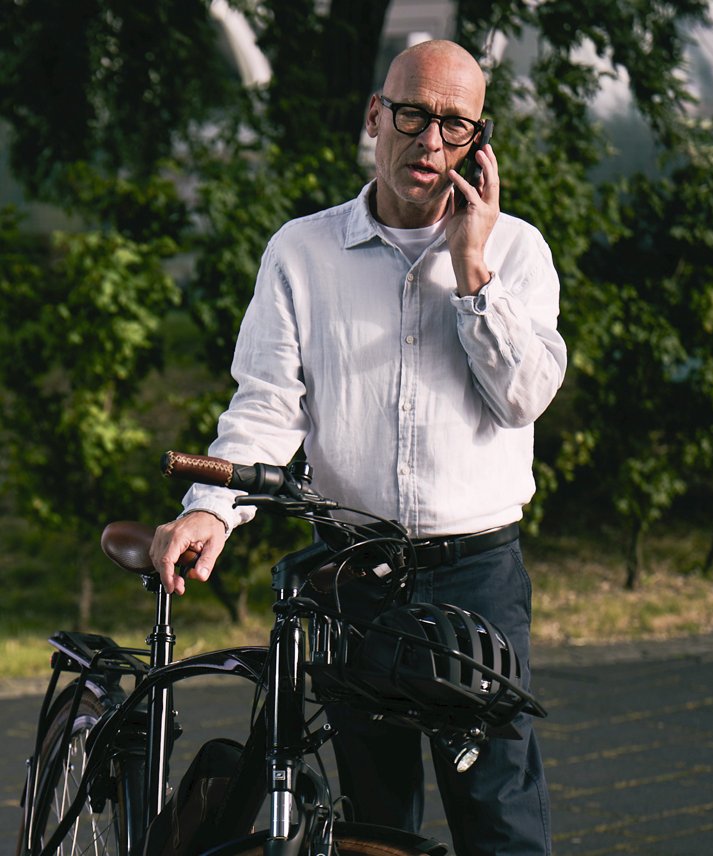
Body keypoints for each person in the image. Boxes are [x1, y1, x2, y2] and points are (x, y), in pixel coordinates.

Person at [151, 38, 566, 856]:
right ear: (377, 115)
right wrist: (212, 511)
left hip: (476, 577)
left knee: (501, 816)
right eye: (413, 115)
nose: (430, 141)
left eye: (455, 126)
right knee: (374, 822)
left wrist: (472, 268)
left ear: (479, 143)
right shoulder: (302, 253)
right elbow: (267, 406)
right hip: (351, 575)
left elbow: (522, 397)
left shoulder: (517, 252)